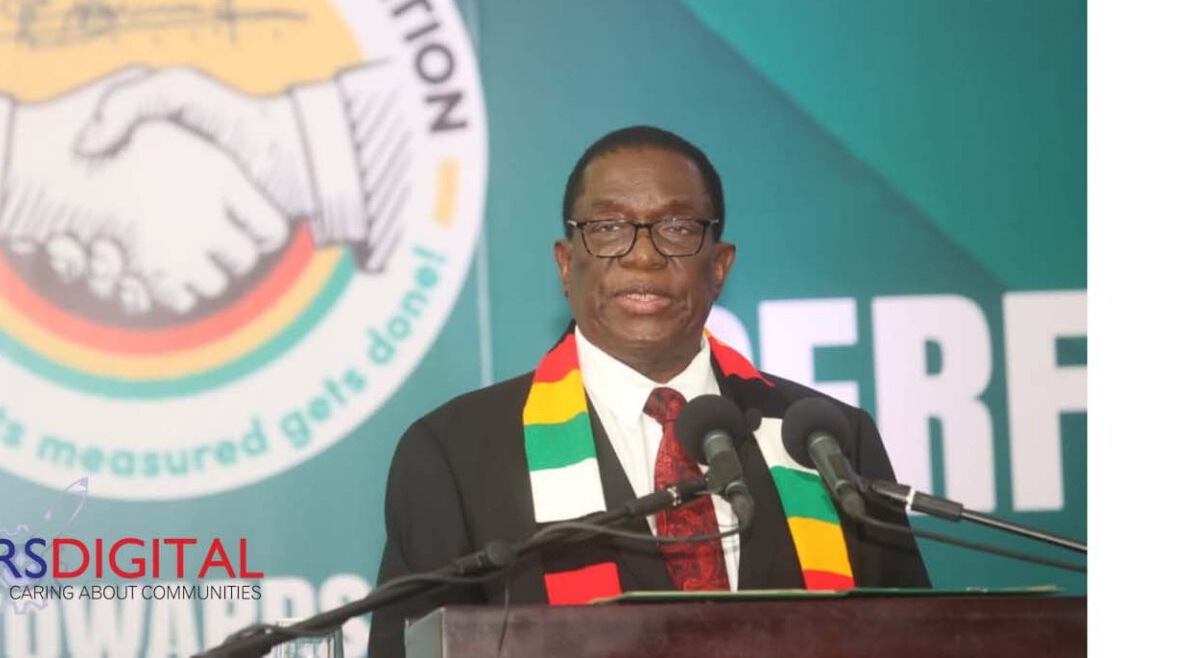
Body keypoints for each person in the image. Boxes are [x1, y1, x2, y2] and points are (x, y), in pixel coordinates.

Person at [368, 126, 929, 658]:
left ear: (720, 267)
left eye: (678, 228)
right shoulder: (456, 456)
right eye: (608, 227)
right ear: (566, 264)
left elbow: (916, 641)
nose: (643, 255)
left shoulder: (825, 440)